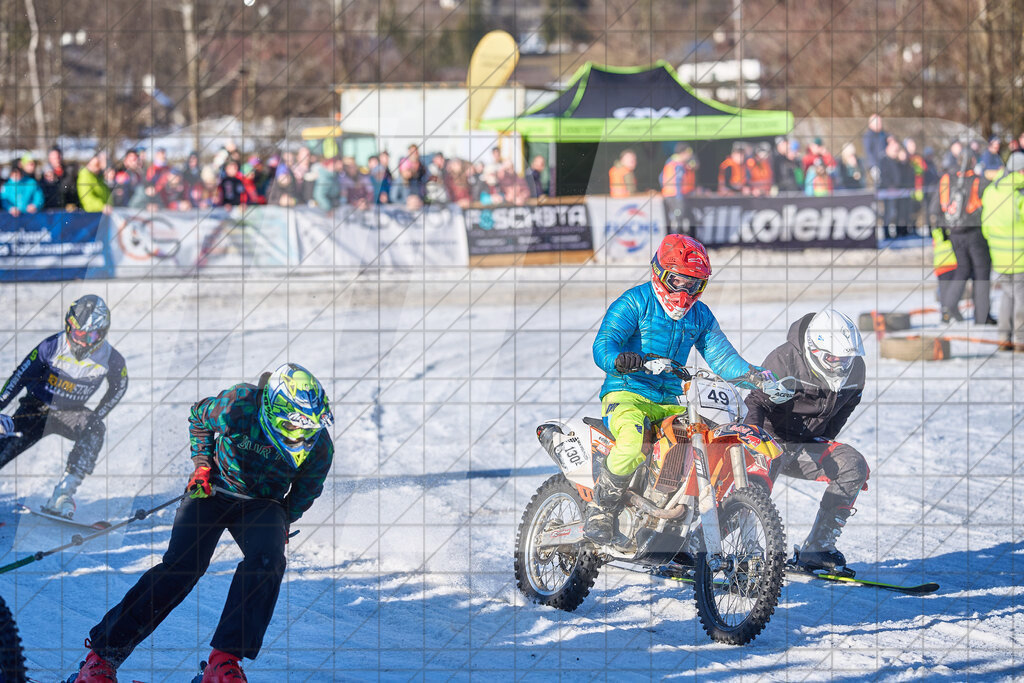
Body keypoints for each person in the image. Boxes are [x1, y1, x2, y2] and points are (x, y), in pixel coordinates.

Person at [71, 363, 334, 683]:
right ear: (275, 407)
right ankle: (100, 659)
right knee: (182, 567)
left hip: (262, 504)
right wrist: (202, 465)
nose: (304, 431)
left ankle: (222, 663)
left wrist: (281, 522)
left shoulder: (318, 445)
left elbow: (306, 490)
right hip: (212, 489)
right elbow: (198, 416)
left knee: (268, 559)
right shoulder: (239, 405)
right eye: (297, 423)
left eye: (309, 424)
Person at [585, 234, 792, 544]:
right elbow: (603, 344)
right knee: (631, 444)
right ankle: (601, 510)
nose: (684, 292)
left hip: (671, 401)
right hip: (627, 393)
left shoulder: (700, 316)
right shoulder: (634, 301)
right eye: (677, 281)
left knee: (700, 448)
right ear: (658, 273)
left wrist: (756, 376)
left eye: (693, 284)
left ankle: (676, 521)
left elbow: (723, 358)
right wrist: (621, 360)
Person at [744, 310, 868, 574]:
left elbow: (846, 407)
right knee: (752, 491)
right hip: (770, 438)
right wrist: (754, 441)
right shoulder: (784, 360)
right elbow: (756, 401)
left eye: (846, 359)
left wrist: (823, 439)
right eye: (833, 358)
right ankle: (708, 547)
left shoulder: (856, 369)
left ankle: (818, 548)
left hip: (807, 443)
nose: (841, 365)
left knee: (853, 465)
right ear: (814, 349)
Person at [0, 295, 127, 518]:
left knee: (95, 428)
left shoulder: (111, 358)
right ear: (69, 326)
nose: (82, 341)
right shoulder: (51, 346)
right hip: (34, 409)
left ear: (103, 333)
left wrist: (97, 415)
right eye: (78, 334)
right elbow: (19, 376)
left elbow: (120, 385)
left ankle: (63, 494)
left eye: (92, 336)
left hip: (69, 414)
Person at [939, 151, 993, 323]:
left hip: (954, 232)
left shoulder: (946, 179)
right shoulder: (978, 180)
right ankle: (982, 316)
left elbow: (938, 206)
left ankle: (948, 304)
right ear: (972, 161)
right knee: (981, 273)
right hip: (974, 232)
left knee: (962, 269)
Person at [981, 152, 1024, 348]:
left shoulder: (992, 189)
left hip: (998, 253)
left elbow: (985, 225)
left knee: (1007, 294)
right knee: (1021, 295)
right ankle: (1020, 339)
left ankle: (1003, 337)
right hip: (1019, 253)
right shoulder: (1019, 192)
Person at [660, 143, 698, 230]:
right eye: (688, 153)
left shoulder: (670, 162)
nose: (689, 155)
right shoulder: (678, 165)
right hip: (676, 196)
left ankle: (682, 240)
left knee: (683, 218)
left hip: (671, 195)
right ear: (683, 153)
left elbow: (661, 177)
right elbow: (678, 182)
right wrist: (679, 197)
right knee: (679, 219)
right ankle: (678, 242)